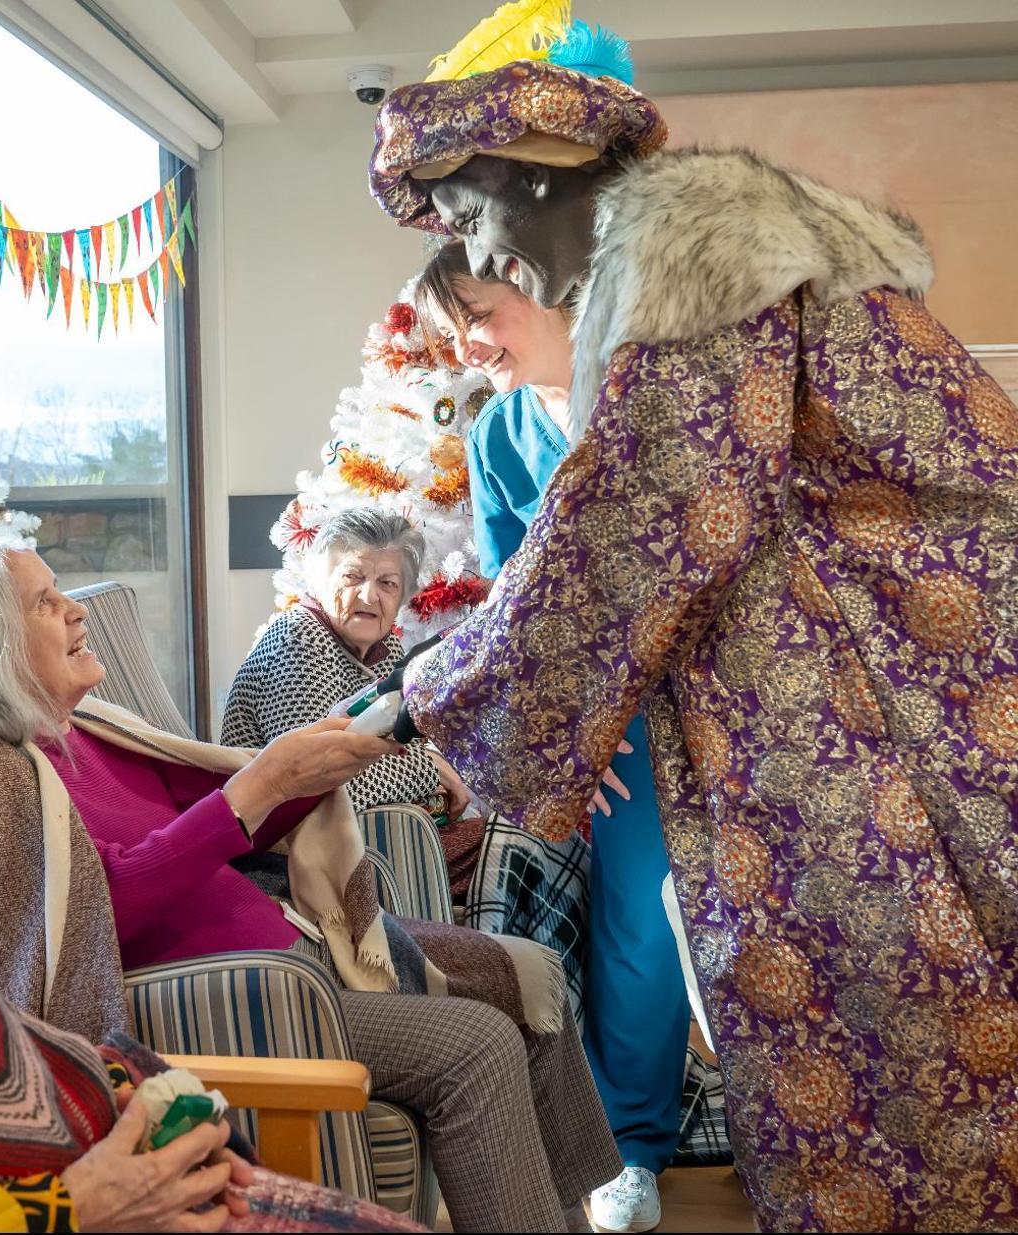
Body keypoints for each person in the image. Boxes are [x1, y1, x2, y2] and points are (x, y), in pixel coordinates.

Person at [368, 10, 1018, 1233]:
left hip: (913, 680)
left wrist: (430, 692)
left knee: (911, 1016)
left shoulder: (688, 268)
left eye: (471, 220)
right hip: (865, 678)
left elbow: (646, 522)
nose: (483, 263)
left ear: (538, 172)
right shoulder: (673, 270)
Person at [0, 534, 624, 1233]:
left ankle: (560, 1213)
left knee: (530, 973)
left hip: (291, 951)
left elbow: (221, 831)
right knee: (478, 1044)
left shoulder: (76, 734)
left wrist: (312, 769)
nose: (74, 610)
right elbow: (93, 913)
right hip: (249, 992)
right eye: (45, 602)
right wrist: (259, 784)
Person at [415, 239, 690, 1230]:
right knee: (640, 930)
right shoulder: (496, 438)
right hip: (606, 728)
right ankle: (633, 1146)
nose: (463, 340)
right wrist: (573, 729)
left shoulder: (650, 390)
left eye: (476, 311)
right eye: (450, 324)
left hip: (715, 692)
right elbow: (511, 607)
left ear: (537, 286)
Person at [0, 823, 424, 1234]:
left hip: (106, 1141)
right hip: (54, 1202)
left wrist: (109, 1082)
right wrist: (70, 1210)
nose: (83, 622)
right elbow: (84, 918)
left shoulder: (94, 735)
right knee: (473, 1042)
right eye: (40, 618)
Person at [222, 509, 483, 899]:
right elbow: (323, 783)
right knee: (506, 847)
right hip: (289, 855)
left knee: (519, 845)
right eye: (352, 577)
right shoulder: (297, 638)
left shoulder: (384, 646)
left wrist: (425, 766)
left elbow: (395, 751)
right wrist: (431, 770)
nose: (368, 595)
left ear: (403, 596)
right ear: (319, 580)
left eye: (387, 583)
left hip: (370, 836)